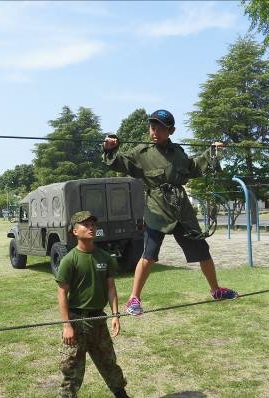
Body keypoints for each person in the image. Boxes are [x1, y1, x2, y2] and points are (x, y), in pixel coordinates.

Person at [102, 109, 238, 316]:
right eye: (152, 127)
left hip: (181, 209)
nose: (154, 131)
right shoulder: (142, 153)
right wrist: (110, 149)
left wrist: (211, 152)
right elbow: (119, 162)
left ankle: (216, 290)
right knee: (149, 255)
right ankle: (133, 299)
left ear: (171, 130)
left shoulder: (178, 152)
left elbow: (193, 167)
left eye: (160, 128)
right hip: (156, 208)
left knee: (202, 251)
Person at [56, 210, 129, 398]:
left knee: (109, 363)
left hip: (98, 319)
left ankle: (121, 395)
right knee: (71, 370)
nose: (91, 228)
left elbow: (111, 288)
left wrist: (115, 315)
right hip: (76, 321)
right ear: (74, 231)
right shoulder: (69, 260)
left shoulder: (105, 257)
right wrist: (67, 325)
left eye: (93, 225)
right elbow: (62, 293)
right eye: (85, 225)